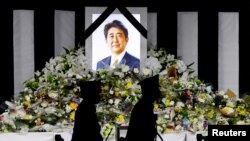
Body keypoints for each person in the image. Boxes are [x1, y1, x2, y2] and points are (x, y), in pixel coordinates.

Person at [124, 75, 161, 141]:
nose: (158, 91)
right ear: (150, 91)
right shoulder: (145, 106)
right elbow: (144, 131)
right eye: (156, 88)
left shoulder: (144, 104)